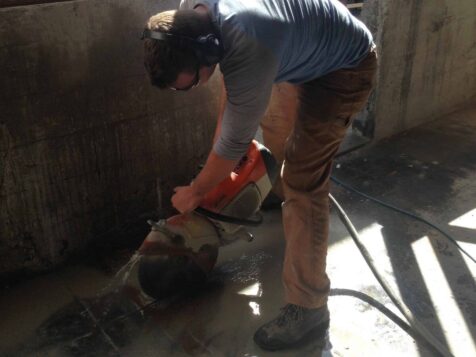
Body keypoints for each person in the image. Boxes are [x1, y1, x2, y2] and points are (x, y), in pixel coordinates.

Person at [142, 0, 377, 351]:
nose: (188, 91)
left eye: (189, 85)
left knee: (303, 181)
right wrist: (218, 155)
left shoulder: (249, 49)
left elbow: (234, 138)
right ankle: (280, 195)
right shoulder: (192, 16)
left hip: (343, 66)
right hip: (294, 45)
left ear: (207, 49)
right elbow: (232, 99)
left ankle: (309, 307)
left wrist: (197, 190)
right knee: (273, 126)